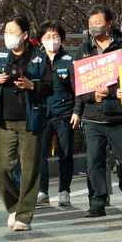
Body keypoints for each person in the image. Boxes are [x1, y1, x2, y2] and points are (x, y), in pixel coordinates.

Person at [0, 14, 54, 232]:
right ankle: (14, 206)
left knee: (30, 169)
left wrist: (31, 85)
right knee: (1, 168)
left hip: (30, 120)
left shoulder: (39, 59)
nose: (8, 36)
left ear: (24, 35)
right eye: (6, 32)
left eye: (12, 32)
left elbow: (49, 87)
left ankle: (24, 215)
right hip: (4, 120)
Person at [71, 5, 122, 217]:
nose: (93, 27)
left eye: (98, 23)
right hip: (93, 117)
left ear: (109, 24)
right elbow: (77, 83)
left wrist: (109, 92)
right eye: (90, 24)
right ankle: (97, 202)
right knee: (94, 163)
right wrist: (92, 97)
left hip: (119, 116)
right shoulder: (82, 50)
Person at [36, 22, 75, 208]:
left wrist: (77, 111)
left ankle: (64, 191)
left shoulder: (70, 59)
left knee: (66, 154)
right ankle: (42, 192)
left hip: (64, 113)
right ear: (41, 39)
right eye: (48, 37)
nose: (52, 41)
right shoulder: (35, 59)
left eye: (56, 36)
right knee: (40, 155)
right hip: (42, 113)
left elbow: (78, 89)